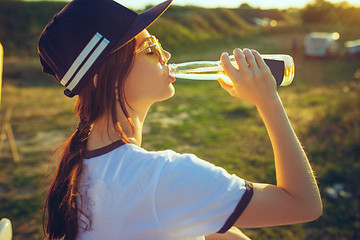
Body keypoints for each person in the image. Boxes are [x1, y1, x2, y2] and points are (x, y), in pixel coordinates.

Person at [38, 0, 322, 239]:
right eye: (150, 50)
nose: (166, 55)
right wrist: (269, 102)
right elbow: (303, 205)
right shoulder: (165, 177)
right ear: (104, 79)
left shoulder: (79, 172)